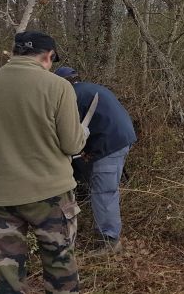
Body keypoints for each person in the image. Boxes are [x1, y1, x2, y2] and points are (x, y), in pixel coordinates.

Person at [0, 31, 86, 293]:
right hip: (50, 194)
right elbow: (72, 145)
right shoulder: (58, 86)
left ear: (15, 52)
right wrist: (82, 135)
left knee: (8, 274)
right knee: (60, 267)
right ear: (48, 56)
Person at [55, 66, 137, 257]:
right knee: (102, 185)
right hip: (120, 138)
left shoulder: (71, 97)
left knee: (104, 192)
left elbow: (70, 135)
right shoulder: (90, 88)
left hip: (110, 144)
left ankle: (109, 241)